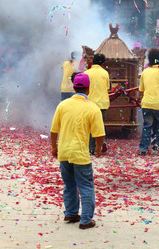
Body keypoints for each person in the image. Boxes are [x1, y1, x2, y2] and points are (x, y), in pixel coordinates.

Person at [50, 73, 105, 230]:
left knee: (69, 184)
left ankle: (71, 213)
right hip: (80, 154)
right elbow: (99, 134)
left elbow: (54, 130)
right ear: (88, 89)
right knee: (86, 186)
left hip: (64, 152)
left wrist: (54, 147)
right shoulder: (93, 108)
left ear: (74, 87)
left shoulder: (63, 105)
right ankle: (86, 220)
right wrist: (98, 148)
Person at [84, 54, 110, 154]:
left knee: (90, 126)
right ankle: (102, 142)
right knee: (101, 125)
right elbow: (107, 88)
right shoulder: (105, 73)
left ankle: (91, 149)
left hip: (90, 104)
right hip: (102, 103)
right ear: (103, 63)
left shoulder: (87, 73)